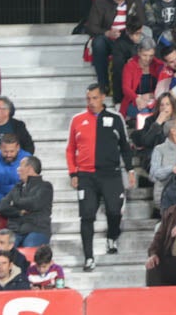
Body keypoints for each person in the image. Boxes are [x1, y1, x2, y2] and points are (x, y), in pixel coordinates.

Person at [68, 83, 135, 271]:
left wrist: (130, 170)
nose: (91, 102)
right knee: (87, 216)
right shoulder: (77, 119)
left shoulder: (115, 118)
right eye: (88, 98)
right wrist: (73, 172)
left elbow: (124, 145)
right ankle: (88, 257)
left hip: (111, 174)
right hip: (86, 176)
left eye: (95, 98)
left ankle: (112, 237)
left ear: (103, 97)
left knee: (114, 211)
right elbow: (70, 149)